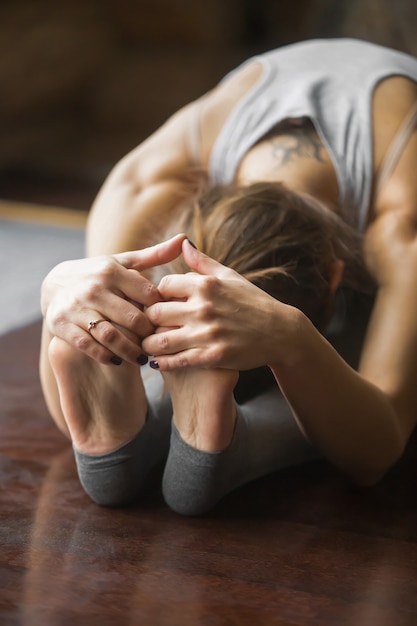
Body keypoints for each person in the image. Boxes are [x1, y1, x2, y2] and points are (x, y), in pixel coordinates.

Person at [40, 38, 417, 515]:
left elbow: (382, 445)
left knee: (358, 340)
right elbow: (372, 456)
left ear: (339, 274)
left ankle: (193, 427)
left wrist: (290, 336)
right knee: (91, 307)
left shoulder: (403, 226)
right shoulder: (152, 182)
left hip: (382, 221)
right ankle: (235, 444)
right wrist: (59, 293)